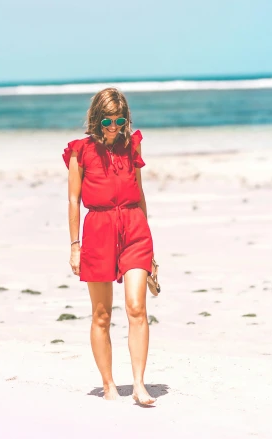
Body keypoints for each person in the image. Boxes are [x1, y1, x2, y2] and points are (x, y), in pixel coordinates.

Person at [63, 87, 156, 406]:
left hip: (134, 228)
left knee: (136, 307)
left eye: (119, 120)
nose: (113, 127)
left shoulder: (133, 146)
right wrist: (75, 246)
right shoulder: (80, 151)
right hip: (98, 230)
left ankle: (140, 384)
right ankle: (108, 384)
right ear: (95, 120)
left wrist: (151, 251)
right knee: (101, 314)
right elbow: (74, 200)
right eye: (106, 121)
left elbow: (140, 194)